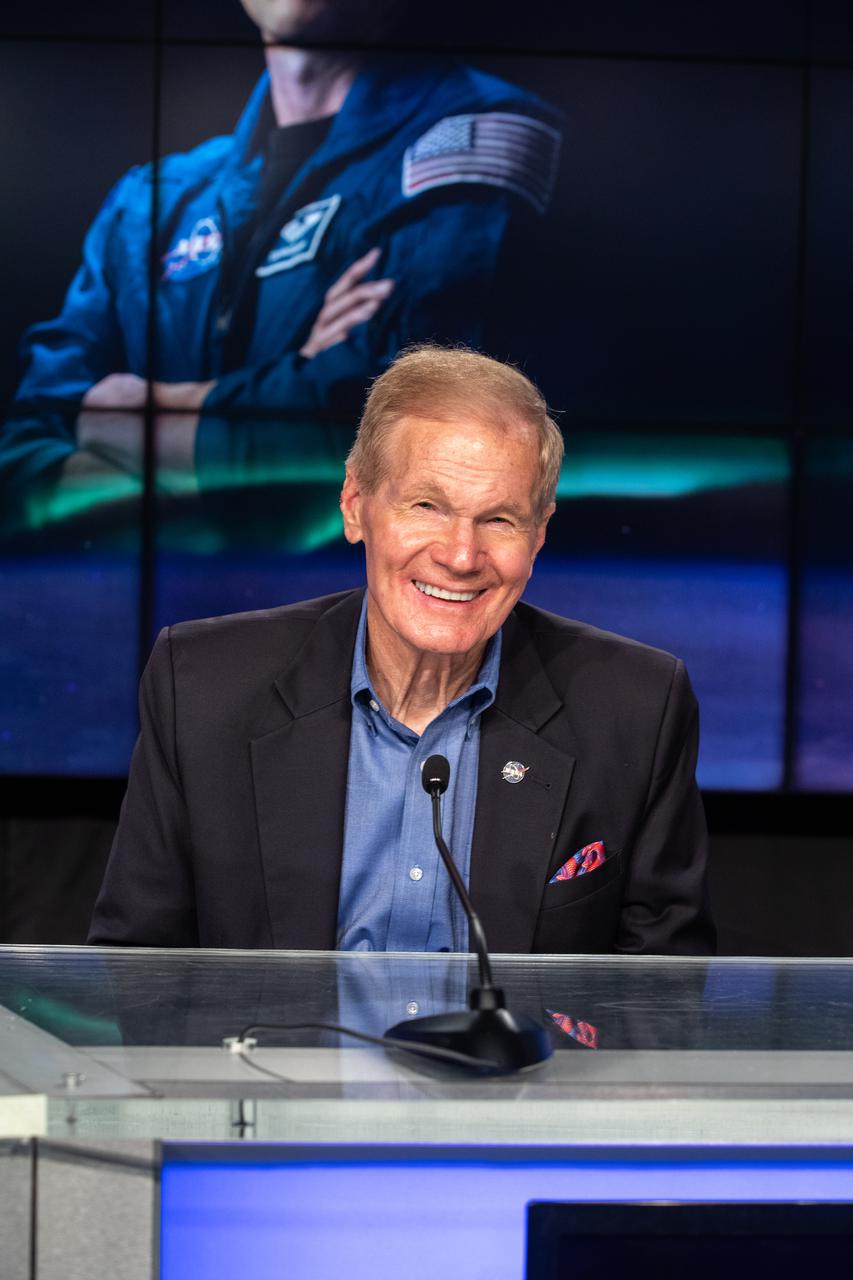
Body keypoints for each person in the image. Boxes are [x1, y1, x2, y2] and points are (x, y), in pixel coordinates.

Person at [89, 345, 715, 955]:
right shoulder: (203, 687)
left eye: (499, 520)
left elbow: (660, 1001)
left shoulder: (635, 710)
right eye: (426, 506)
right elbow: (137, 973)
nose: (461, 556)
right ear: (355, 505)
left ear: (540, 533)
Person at [0, 0, 562, 534]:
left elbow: (372, 431)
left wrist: (127, 429)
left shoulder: (476, 132)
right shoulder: (151, 202)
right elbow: (30, 437)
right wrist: (286, 389)